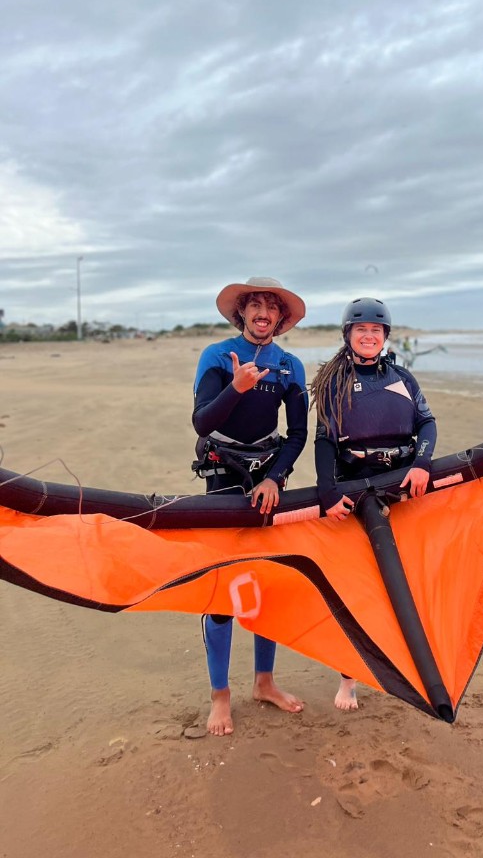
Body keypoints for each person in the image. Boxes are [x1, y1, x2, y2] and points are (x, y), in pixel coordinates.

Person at [192, 276, 308, 735]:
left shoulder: (289, 365)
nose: (262, 313)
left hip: (267, 480)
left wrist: (277, 478)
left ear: (280, 319)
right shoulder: (217, 357)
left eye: (270, 307)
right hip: (223, 475)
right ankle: (220, 696)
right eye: (254, 305)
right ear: (241, 314)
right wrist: (237, 386)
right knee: (222, 592)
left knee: (266, 584)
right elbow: (202, 421)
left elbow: (297, 433)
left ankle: (264, 682)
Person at [310, 296, 437, 711]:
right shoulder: (334, 382)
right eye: (361, 330)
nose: (369, 336)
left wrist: (421, 464)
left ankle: (412, 658)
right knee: (358, 585)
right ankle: (349, 679)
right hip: (355, 491)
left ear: (385, 337)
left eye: (376, 331)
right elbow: (326, 440)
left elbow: (427, 423)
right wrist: (327, 491)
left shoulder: (403, 378)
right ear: (348, 336)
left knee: (409, 577)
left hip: (400, 489)